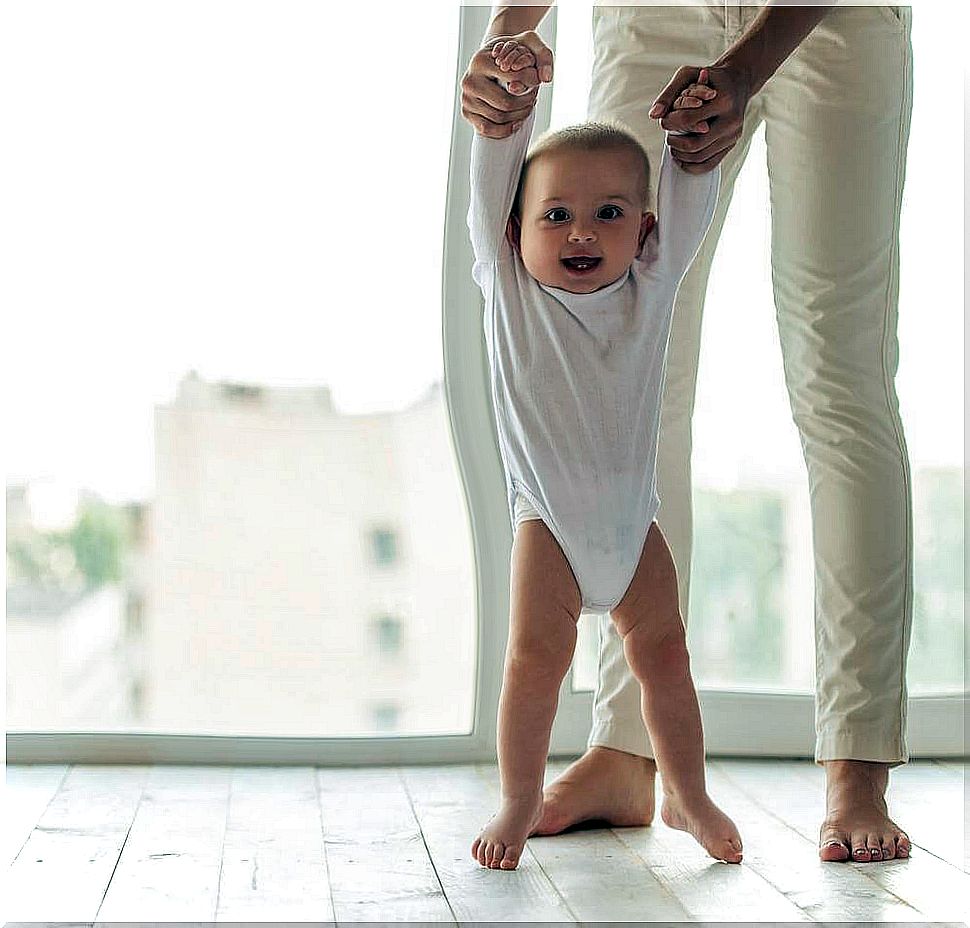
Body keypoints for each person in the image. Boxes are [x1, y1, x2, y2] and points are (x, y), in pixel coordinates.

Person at [461, 2, 913, 865]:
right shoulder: (509, 258)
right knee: (634, 364)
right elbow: (508, 207)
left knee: (840, 375)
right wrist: (507, 35)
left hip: (831, 19)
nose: (572, 236)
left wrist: (746, 69)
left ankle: (858, 762)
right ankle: (627, 754)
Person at [466, 37, 742, 872]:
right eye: (556, 215)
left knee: (666, 657)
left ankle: (686, 793)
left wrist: (690, 138)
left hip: (633, 534)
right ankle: (520, 798)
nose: (581, 231)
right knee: (534, 665)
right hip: (548, 527)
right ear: (517, 231)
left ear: (644, 229)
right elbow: (491, 180)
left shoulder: (649, 288)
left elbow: (690, 197)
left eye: (610, 214)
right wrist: (509, 105)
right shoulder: (509, 285)